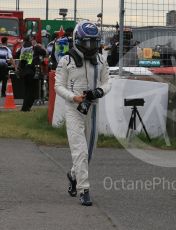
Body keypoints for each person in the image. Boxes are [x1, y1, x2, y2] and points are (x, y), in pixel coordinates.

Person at [55, 21, 112, 206]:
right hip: (74, 110)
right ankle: (84, 189)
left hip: (93, 108)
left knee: (89, 153)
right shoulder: (66, 60)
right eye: (87, 43)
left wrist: (99, 92)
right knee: (79, 150)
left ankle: (73, 175)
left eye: (94, 43)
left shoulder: (101, 60)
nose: (91, 47)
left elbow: (107, 82)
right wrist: (73, 97)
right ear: (78, 40)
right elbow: (58, 86)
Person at [17, 37, 46, 111]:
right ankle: (27, 107)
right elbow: (44, 53)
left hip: (24, 72)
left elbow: (16, 55)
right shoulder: (34, 48)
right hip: (32, 72)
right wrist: (38, 46)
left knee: (27, 90)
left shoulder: (22, 49)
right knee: (33, 91)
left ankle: (25, 108)